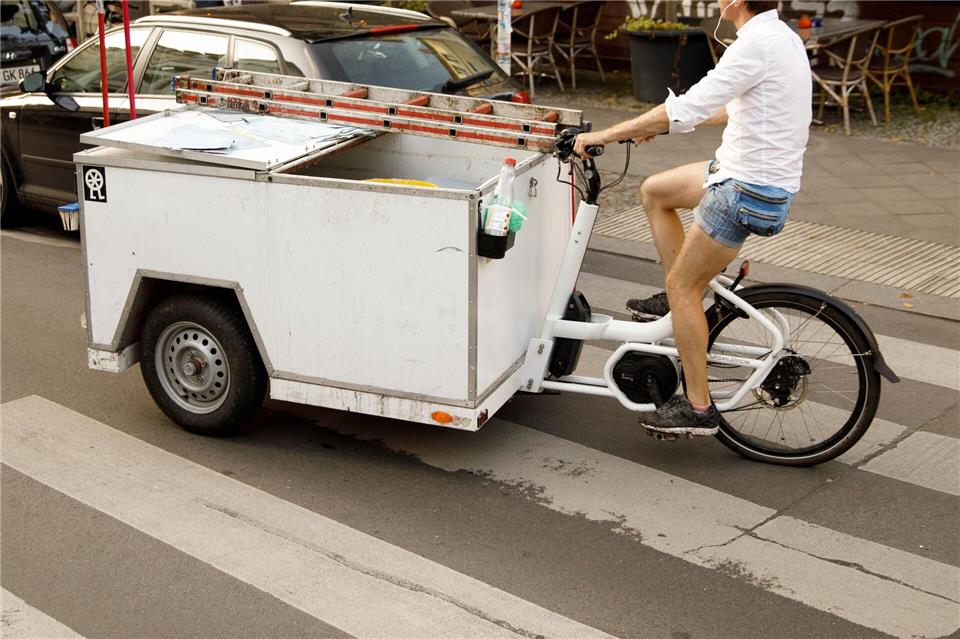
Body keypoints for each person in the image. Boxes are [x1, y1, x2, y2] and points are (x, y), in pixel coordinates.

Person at [573, 0, 811, 436]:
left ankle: (698, 407)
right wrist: (659, 125)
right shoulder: (782, 38)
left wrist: (603, 135)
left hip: (746, 189)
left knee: (683, 285)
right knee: (656, 191)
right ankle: (680, 304)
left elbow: (685, 107)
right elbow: (729, 104)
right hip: (750, 175)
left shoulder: (755, 43)